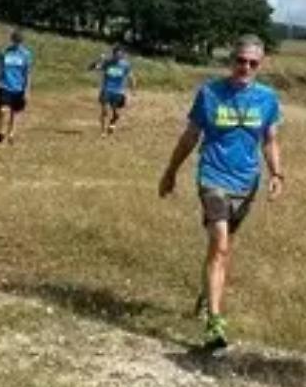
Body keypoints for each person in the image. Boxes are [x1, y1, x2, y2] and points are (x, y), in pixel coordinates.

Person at [158, 34, 284, 350]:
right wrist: (171, 171)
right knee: (221, 245)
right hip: (212, 176)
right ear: (232, 60)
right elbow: (190, 136)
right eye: (240, 61)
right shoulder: (210, 93)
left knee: (221, 250)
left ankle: (206, 292)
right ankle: (215, 323)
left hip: (247, 182)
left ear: (261, 64)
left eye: (253, 63)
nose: (245, 67)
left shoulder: (267, 99)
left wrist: (277, 173)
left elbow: (269, 139)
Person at [0, 29, 34, 145]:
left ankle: (11, 134)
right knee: (3, 110)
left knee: (15, 112)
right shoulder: (4, 52)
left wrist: (27, 89)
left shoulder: (26, 54)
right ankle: (1, 132)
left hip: (19, 87)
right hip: (5, 85)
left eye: (19, 41)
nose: (17, 43)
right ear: (12, 40)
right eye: (15, 41)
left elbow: (27, 73)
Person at [88, 43, 135, 134]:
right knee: (104, 111)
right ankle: (102, 131)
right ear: (114, 54)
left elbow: (130, 77)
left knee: (116, 112)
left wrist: (133, 89)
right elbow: (91, 68)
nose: (119, 55)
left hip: (118, 92)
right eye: (117, 53)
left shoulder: (125, 65)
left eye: (121, 53)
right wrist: (99, 59)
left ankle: (113, 122)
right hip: (106, 89)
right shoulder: (107, 63)